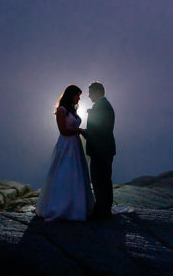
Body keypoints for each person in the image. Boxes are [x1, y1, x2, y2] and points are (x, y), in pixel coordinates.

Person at [35, 85, 95, 221]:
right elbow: (63, 131)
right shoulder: (61, 110)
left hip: (75, 144)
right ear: (71, 95)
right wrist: (79, 131)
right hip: (66, 145)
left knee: (77, 173)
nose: (79, 98)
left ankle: (77, 205)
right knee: (64, 172)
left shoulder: (72, 110)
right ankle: (61, 206)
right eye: (77, 95)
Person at [84, 81, 116, 219]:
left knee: (99, 180)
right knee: (103, 180)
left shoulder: (102, 107)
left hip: (100, 150)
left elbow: (99, 130)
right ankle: (104, 209)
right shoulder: (103, 105)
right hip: (104, 150)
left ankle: (102, 211)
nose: (89, 95)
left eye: (90, 92)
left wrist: (82, 132)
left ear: (97, 92)